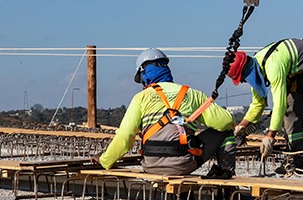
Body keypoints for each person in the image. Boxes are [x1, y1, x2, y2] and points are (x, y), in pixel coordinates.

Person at [97, 48, 239, 179]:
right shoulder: (191, 94)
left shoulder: (140, 98)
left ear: (144, 74)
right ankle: (226, 190)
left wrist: (105, 161)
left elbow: (125, 136)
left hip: (150, 165)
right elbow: (226, 121)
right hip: (184, 165)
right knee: (226, 133)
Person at [226, 38, 303, 174]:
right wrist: (242, 126)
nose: (242, 82)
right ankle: (296, 162)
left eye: (241, 78)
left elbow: (279, 103)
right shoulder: (258, 70)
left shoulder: (272, 66)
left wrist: (270, 135)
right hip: (297, 73)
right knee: (290, 113)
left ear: (246, 72)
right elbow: (258, 104)